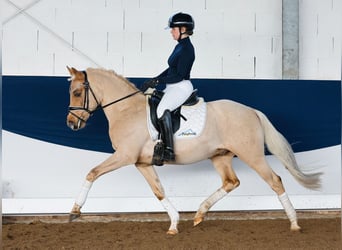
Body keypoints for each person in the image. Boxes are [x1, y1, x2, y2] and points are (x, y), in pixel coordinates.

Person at [141, 12, 195, 165]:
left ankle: (169, 150)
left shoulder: (187, 49)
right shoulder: (180, 46)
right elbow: (171, 69)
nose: (171, 32)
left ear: (183, 29)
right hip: (172, 86)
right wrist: (155, 79)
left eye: (173, 29)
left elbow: (179, 75)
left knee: (161, 109)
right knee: (153, 102)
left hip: (181, 86)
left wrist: (158, 80)